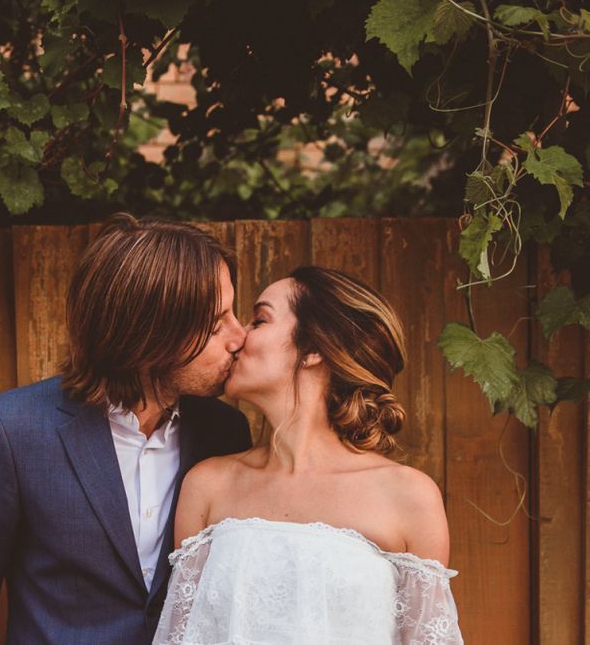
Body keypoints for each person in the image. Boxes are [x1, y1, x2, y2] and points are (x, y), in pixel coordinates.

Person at [0, 214, 253, 644]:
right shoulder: (13, 432)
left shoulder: (224, 432)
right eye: (215, 324)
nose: (239, 336)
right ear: (149, 335)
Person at [153, 266, 463, 644]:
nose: (237, 339)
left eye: (259, 320)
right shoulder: (207, 485)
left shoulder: (408, 496)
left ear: (315, 348)